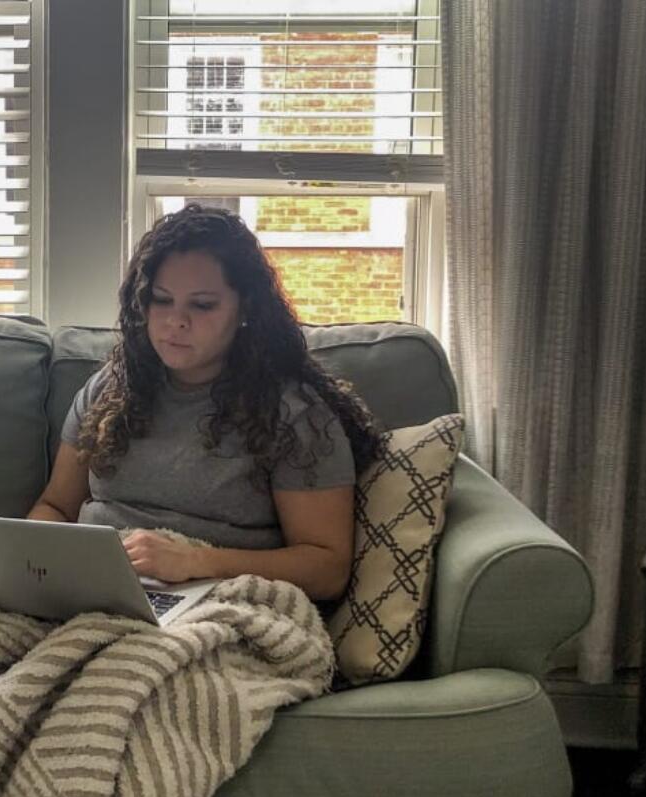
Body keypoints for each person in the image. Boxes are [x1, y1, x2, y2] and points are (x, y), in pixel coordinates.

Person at [27, 203, 381, 603]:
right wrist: (37, 563)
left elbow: (327, 567)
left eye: (202, 305)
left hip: (213, 598)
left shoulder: (292, 414)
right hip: (92, 589)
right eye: (161, 300)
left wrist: (197, 561)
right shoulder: (109, 388)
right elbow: (56, 506)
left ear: (245, 309)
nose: (175, 321)